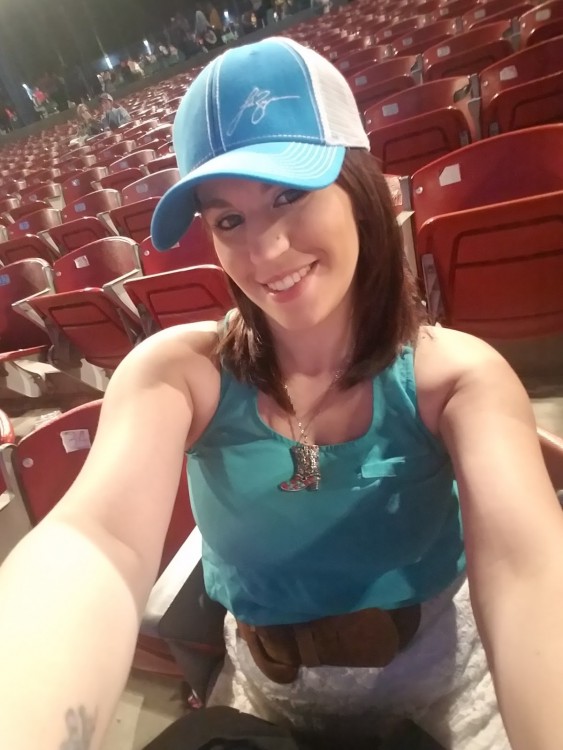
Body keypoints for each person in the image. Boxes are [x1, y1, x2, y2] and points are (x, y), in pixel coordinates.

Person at [1, 37, 563, 750]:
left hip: (444, 678)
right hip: (275, 691)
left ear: (362, 190)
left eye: (289, 194)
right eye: (228, 219)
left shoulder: (456, 376)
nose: (265, 251)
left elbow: (524, 572)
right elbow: (97, 540)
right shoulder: (177, 372)